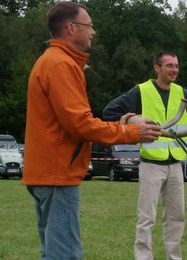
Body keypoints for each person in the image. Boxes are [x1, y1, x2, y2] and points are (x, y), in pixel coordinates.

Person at [22, 2, 162, 259]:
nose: (93, 32)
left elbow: (73, 120)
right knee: (65, 255)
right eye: (89, 26)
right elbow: (80, 125)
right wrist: (132, 134)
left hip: (49, 174)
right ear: (71, 28)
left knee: (53, 252)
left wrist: (123, 123)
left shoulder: (55, 62)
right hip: (57, 176)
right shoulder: (60, 65)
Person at [103, 51, 187, 260]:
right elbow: (110, 111)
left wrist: (183, 134)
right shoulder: (141, 91)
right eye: (169, 66)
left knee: (177, 217)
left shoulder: (182, 92)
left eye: (176, 66)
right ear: (157, 68)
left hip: (176, 164)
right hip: (151, 164)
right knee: (147, 218)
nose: (174, 70)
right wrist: (132, 120)